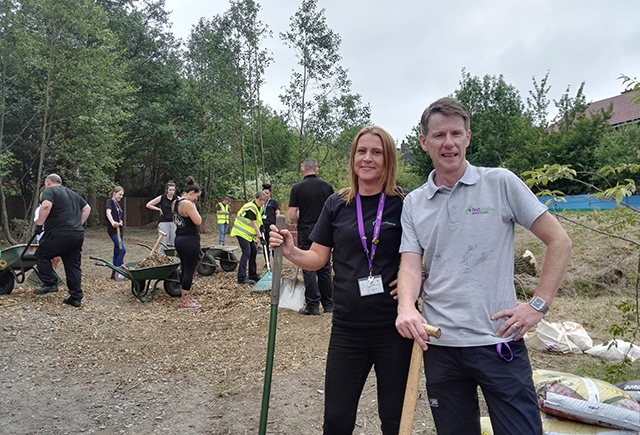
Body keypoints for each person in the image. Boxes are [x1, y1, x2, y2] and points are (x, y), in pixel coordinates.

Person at [395, 97, 572, 435]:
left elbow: (559, 241)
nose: (449, 143)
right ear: (424, 142)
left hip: (498, 342)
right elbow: (410, 266)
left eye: (456, 134)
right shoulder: (414, 203)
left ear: (468, 138)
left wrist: (537, 306)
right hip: (441, 346)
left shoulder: (500, 183)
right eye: (439, 135)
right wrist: (406, 307)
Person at [270, 126, 412, 434]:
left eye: (376, 152)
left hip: (394, 328)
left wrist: (421, 279)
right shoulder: (337, 203)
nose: (368, 158)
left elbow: (425, 254)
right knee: (336, 420)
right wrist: (292, 250)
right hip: (348, 329)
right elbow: (318, 258)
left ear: (388, 159)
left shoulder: (406, 203)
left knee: (394, 420)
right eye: (361, 151)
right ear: (353, 158)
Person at [33, 173, 91, 307]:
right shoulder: (73, 194)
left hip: (59, 233)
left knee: (41, 255)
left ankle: (50, 283)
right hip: (77, 234)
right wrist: (78, 223)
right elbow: (87, 208)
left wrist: (40, 224)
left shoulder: (49, 191)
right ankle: (76, 297)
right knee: (73, 265)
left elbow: (46, 206)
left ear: (48, 182)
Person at [288, 158, 334, 315]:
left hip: (306, 228)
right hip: (325, 229)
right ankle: (328, 304)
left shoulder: (297, 188)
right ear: (317, 169)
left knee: (308, 265)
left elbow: (292, 214)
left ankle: (313, 305)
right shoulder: (327, 187)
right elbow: (334, 210)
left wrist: (299, 223)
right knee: (325, 266)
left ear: (303, 170)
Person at [172, 177, 203, 309]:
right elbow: (198, 221)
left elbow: (175, 220)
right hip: (190, 241)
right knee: (189, 270)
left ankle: (186, 296)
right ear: (191, 193)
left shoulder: (175, 203)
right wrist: (194, 207)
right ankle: (185, 301)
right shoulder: (188, 204)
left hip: (179, 238)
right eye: (197, 196)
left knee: (184, 269)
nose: (196, 199)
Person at [230, 191, 267, 285]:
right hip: (241, 232)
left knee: (253, 252)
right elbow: (254, 224)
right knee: (246, 253)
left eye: (264, 200)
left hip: (248, 235)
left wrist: (262, 227)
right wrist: (261, 238)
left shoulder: (260, 207)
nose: (262, 202)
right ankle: (241, 278)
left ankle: (253, 274)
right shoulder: (250, 208)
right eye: (260, 200)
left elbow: (259, 221)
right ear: (256, 198)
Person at [146, 181, 177, 249]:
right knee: (163, 244)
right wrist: (159, 209)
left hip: (173, 223)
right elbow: (148, 205)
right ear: (166, 190)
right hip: (163, 222)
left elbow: (185, 202)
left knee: (174, 243)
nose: (172, 192)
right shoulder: (162, 197)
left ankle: (174, 259)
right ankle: (161, 257)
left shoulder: (176, 198)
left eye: (173, 190)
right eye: (170, 190)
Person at [105, 186, 126, 279]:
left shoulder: (117, 204)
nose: (121, 196)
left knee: (117, 251)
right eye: (119, 194)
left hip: (120, 231)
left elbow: (119, 216)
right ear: (114, 193)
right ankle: (118, 271)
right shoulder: (110, 202)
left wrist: (120, 222)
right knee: (122, 250)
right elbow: (108, 212)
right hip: (113, 231)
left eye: (122, 195)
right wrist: (112, 222)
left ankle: (114, 274)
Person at [260, 183, 280, 259]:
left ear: (270, 193)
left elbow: (277, 212)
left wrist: (278, 222)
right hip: (262, 225)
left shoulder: (273, 202)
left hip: (272, 225)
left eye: (267, 193)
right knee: (265, 243)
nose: (266, 195)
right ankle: (267, 261)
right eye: (264, 193)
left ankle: (275, 259)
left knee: (273, 243)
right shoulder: (260, 202)